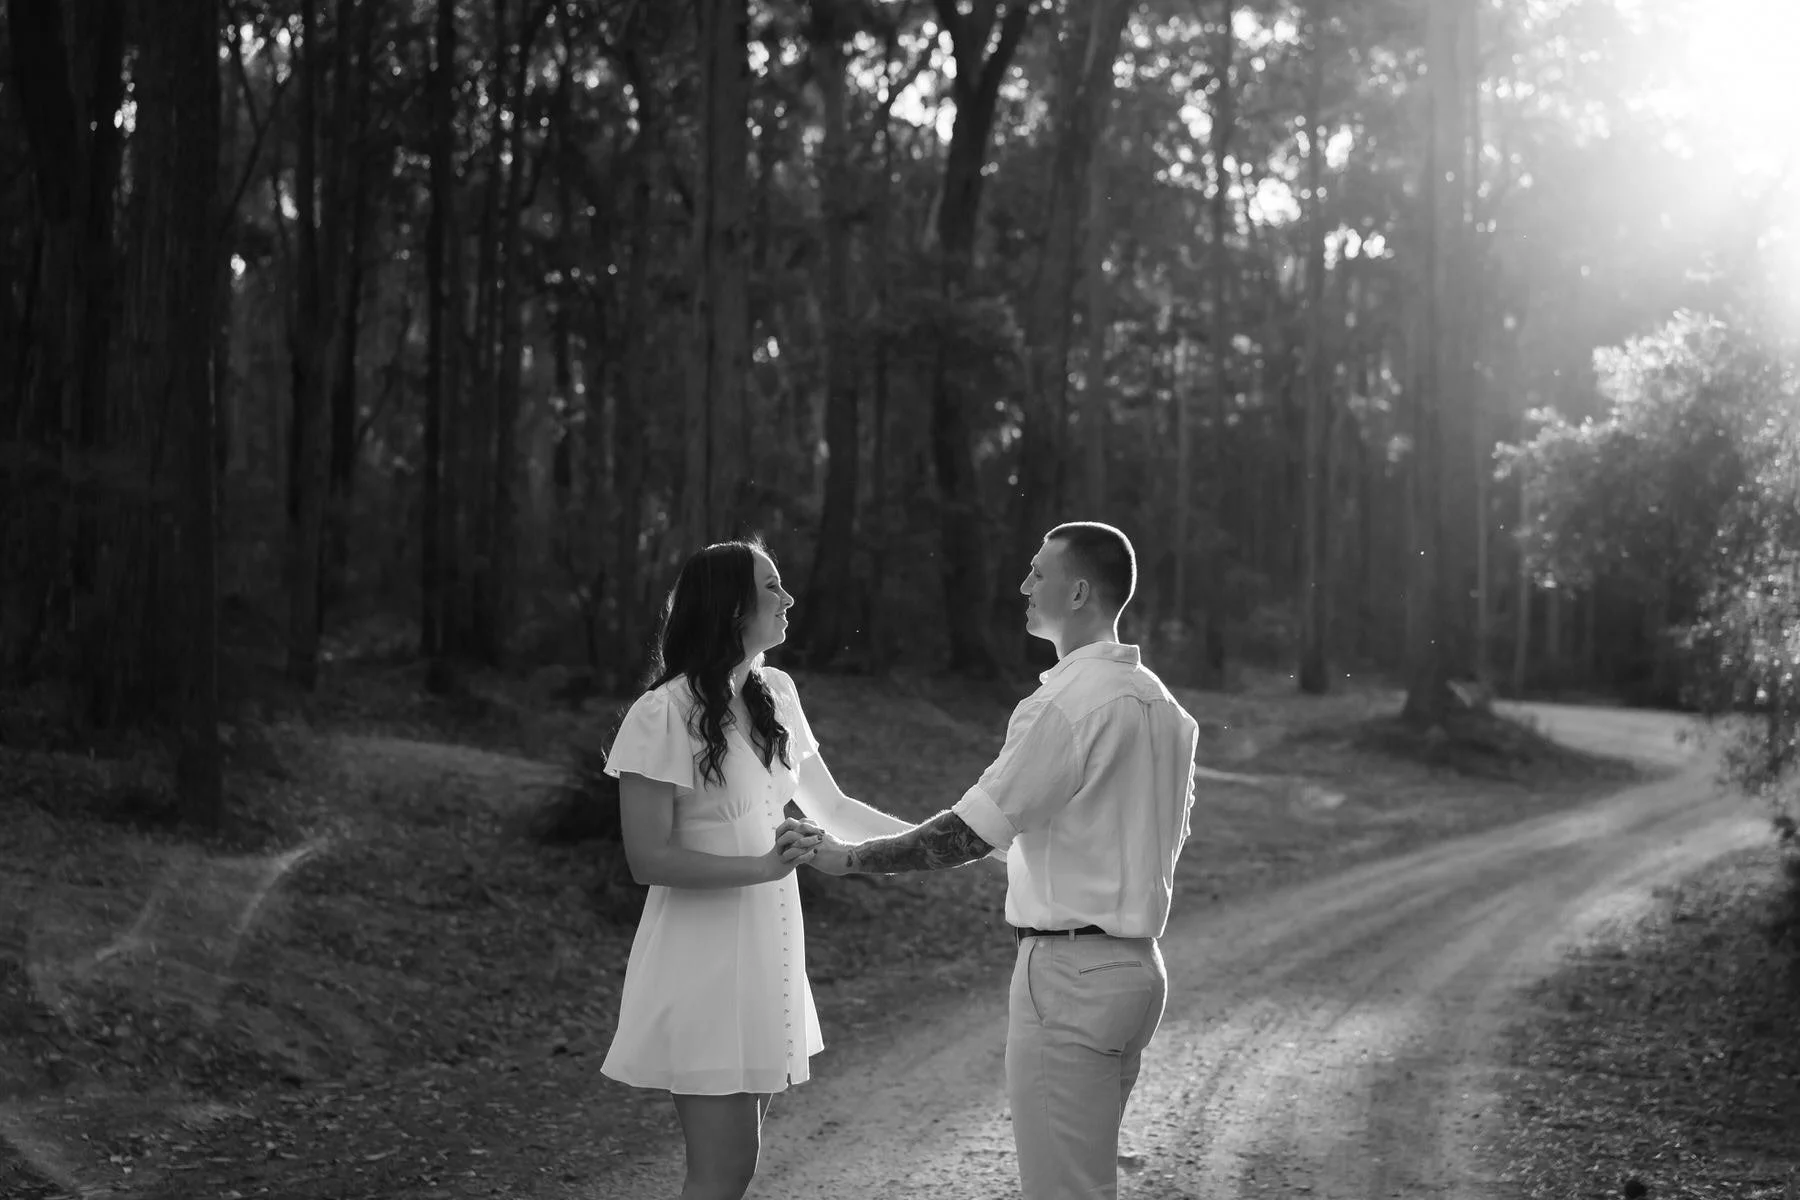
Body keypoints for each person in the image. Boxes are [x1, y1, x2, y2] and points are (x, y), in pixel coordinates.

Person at [797, 521, 1199, 1200]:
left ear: (1076, 592)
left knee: (1064, 1192)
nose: (1023, 584)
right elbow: (1088, 838)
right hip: (1139, 974)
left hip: (1070, 975)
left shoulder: (1065, 705)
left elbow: (966, 834)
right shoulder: (1167, 711)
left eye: (1037, 572)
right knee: (1087, 1183)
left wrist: (851, 859)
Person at [602, 537, 917, 1200]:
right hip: (703, 963)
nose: (789, 598)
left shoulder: (778, 693)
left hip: (770, 956)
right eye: (772, 586)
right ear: (730, 606)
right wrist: (763, 867)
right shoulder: (661, 714)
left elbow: (833, 805)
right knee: (721, 1174)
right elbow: (646, 857)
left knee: (734, 1173)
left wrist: (954, 839)